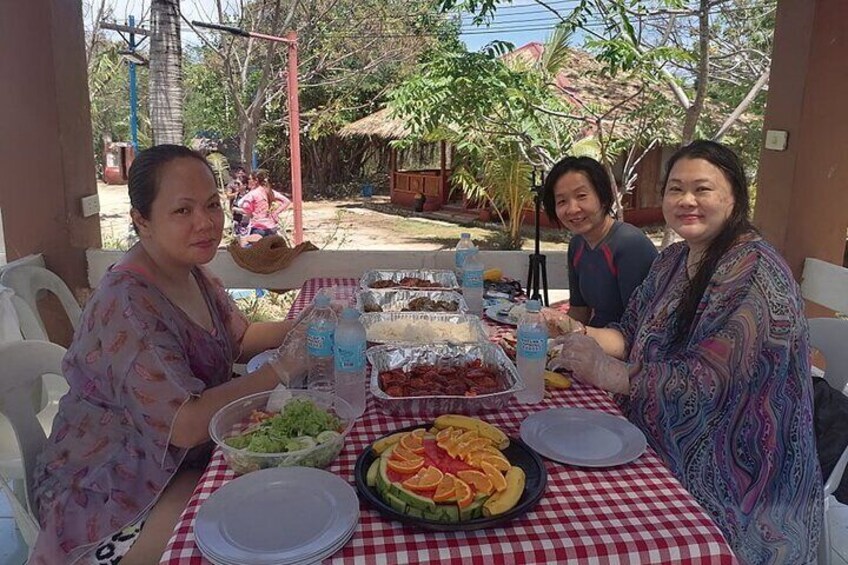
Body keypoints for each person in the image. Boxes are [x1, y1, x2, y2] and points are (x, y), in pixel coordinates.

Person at [29, 145, 311, 565]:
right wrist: (283, 369)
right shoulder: (127, 302)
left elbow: (243, 335)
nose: (206, 222)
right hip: (109, 488)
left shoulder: (190, 270)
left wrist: (310, 325)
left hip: (177, 462)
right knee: (242, 534)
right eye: (183, 211)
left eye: (213, 205)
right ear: (141, 220)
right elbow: (186, 424)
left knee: (283, 498)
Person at [548, 140, 823, 563]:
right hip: (654, 439)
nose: (686, 200)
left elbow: (706, 382)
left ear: (734, 196)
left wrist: (611, 374)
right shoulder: (674, 258)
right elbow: (630, 331)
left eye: (702, 189)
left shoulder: (754, 270)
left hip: (738, 480)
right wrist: (575, 334)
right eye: (675, 189)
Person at [541, 155, 657, 328]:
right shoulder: (577, 245)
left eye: (581, 196)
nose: (572, 209)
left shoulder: (630, 244)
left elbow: (641, 326)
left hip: (628, 347)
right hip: (594, 340)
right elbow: (579, 311)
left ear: (602, 197)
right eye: (562, 201)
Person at [239, 169, 292, 237]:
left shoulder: (253, 194)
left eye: (250, 179)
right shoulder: (269, 192)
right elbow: (286, 201)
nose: (248, 181)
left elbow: (245, 206)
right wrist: (275, 213)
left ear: (256, 180)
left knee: (254, 247)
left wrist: (250, 213)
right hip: (271, 227)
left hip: (258, 227)